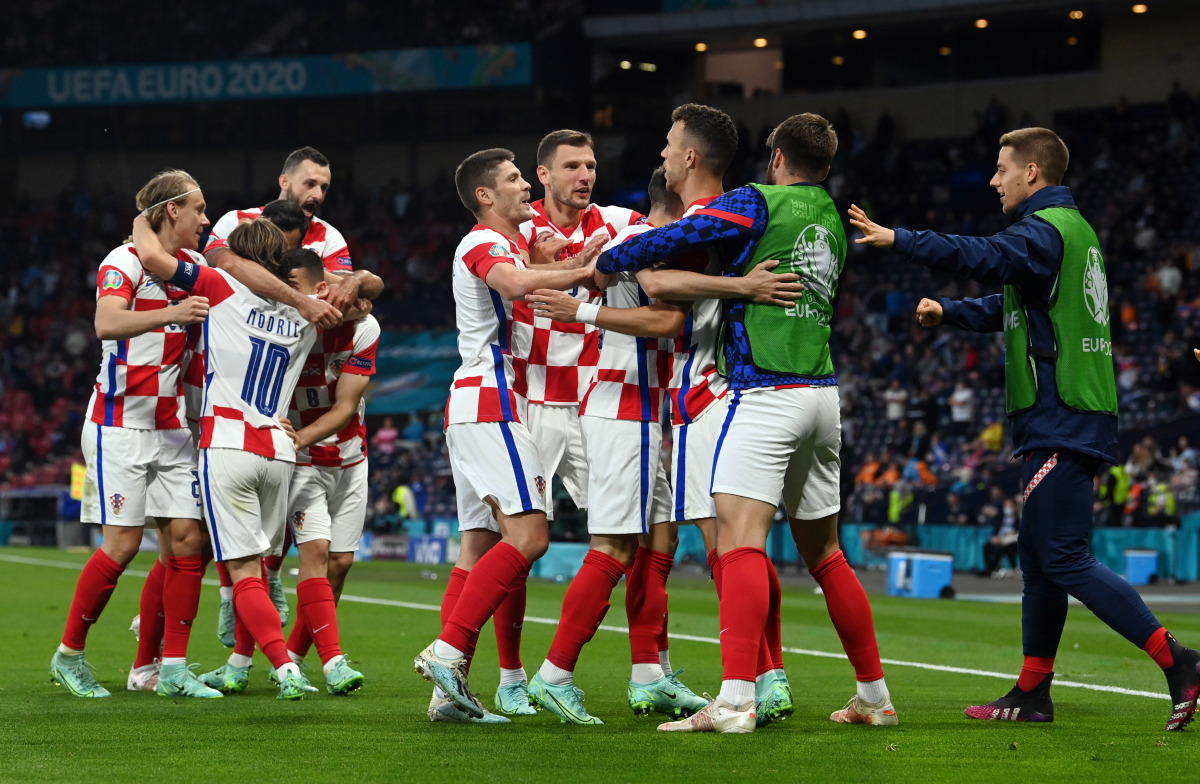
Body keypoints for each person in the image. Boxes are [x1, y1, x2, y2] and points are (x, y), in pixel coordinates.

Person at [850, 126, 1200, 731]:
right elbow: (1012, 305)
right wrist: (950, 311)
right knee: (1039, 559)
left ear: (1031, 172)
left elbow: (983, 257)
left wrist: (901, 239)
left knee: (1062, 556)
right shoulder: (1073, 232)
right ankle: (1033, 692)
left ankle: (1180, 661)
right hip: (1070, 413)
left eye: (1001, 168)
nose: (993, 180)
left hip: (1062, 413)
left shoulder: (1042, 230)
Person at [595, 113, 896, 733]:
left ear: (776, 156)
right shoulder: (831, 217)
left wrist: (614, 254)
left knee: (737, 545)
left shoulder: (755, 202)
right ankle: (874, 697)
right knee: (827, 554)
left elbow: (649, 247)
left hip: (763, 393)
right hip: (823, 394)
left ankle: (734, 702)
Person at [414, 148, 600, 723]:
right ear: (485, 196)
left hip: (478, 405)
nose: (526, 187)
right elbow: (515, 283)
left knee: (477, 547)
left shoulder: (511, 244)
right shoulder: (481, 242)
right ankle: (447, 652)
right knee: (530, 537)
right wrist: (581, 270)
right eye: (515, 179)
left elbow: (526, 271)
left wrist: (563, 258)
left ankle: (447, 697)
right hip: (491, 402)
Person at [134, 215, 350, 700]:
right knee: (260, 570)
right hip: (279, 450)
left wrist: (144, 216)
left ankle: (284, 669)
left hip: (228, 443)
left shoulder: (219, 284)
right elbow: (361, 297)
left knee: (243, 573)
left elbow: (151, 256)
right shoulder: (308, 309)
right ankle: (274, 664)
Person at [522, 167, 704, 724]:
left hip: (638, 406)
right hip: (626, 406)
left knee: (661, 539)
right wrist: (581, 308)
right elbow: (665, 319)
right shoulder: (647, 244)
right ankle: (555, 673)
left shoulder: (629, 240)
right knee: (615, 547)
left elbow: (599, 276)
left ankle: (650, 674)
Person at [50, 169, 220, 700]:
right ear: (172, 210)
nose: (205, 219)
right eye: (198, 209)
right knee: (122, 545)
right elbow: (106, 323)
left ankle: (169, 669)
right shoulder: (121, 262)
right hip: (117, 424)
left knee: (188, 542)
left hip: (172, 427)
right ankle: (69, 655)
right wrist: (173, 312)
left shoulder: (192, 268)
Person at [277, 288, 382, 695]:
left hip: (350, 457)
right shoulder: (285, 325)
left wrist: (297, 437)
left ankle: (294, 656)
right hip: (302, 462)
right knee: (316, 552)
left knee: (340, 562)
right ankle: (332, 662)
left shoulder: (365, 327)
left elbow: (344, 407)